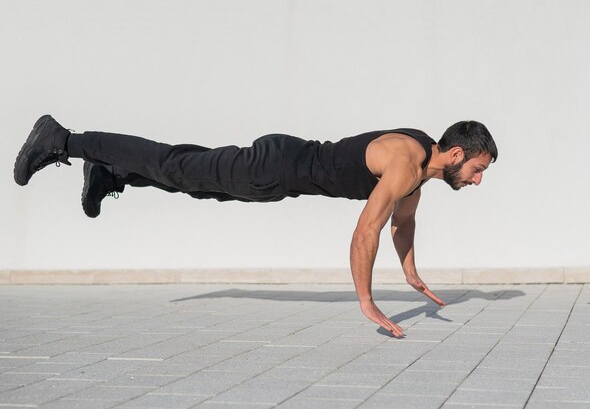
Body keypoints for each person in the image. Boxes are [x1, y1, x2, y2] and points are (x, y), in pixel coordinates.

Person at [14, 115, 498, 338]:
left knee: (195, 183)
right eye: (478, 169)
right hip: (277, 165)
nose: (477, 181)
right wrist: (367, 302)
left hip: (282, 174)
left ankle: (112, 171)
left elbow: (401, 224)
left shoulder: (420, 169)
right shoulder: (406, 163)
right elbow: (366, 230)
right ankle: (65, 140)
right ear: (456, 154)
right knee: (178, 165)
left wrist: (411, 274)